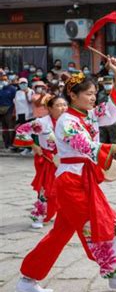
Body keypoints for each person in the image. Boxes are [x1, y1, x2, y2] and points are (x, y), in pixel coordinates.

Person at [14, 58, 116, 292]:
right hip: (71, 183)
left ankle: (27, 278)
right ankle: (114, 275)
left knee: (59, 234)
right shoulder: (66, 121)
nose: (94, 98)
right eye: (89, 94)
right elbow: (85, 146)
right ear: (73, 95)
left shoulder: (90, 116)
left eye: (95, 94)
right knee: (105, 225)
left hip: (84, 180)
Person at [13, 96, 68, 228]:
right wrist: (33, 145)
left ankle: (64, 214)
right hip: (48, 159)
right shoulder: (41, 122)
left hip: (66, 159)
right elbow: (21, 130)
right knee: (45, 188)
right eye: (59, 105)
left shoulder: (70, 122)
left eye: (65, 105)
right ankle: (39, 215)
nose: (63, 108)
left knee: (66, 188)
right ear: (49, 108)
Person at [97, 76, 116, 147]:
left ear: (113, 83)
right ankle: (104, 157)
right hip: (103, 120)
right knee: (102, 141)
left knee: (114, 142)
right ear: (103, 84)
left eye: (110, 83)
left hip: (113, 121)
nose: (108, 85)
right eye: (106, 83)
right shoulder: (100, 94)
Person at [0, 74, 17, 150]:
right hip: (1, 111)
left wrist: (14, 111)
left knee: (11, 128)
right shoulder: (0, 89)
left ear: (8, 80)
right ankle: (6, 144)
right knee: (4, 129)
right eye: (2, 80)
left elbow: (16, 101)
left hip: (10, 110)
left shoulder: (13, 89)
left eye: (5, 79)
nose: (3, 81)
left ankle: (12, 144)